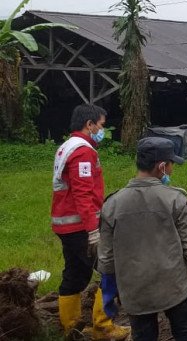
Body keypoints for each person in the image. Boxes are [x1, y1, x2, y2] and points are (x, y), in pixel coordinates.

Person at [97, 137, 187, 341]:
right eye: (171, 165)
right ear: (162, 167)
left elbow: (106, 257)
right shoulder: (176, 199)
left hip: (135, 292)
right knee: (186, 334)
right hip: (175, 288)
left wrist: (108, 291)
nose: (172, 169)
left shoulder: (111, 205)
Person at [51, 103, 130, 341]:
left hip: (65, 225)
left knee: (75, 274)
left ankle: (71, 327)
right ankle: (103, 327)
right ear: (90, 124)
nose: (102, 130)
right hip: (80, 226)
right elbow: (83, 193)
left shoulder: (66, 146)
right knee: (110, 270)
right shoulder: (83, 151)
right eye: (101, 125)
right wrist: (93, 231)